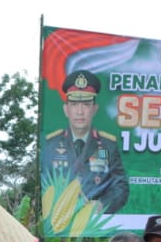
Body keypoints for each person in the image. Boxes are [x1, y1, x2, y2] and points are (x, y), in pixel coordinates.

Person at [39, 70, 129, 214]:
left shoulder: (108, 145)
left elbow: (121, 186)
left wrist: (102, 205)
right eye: (74, 104)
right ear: (66, 109)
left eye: (86, 105)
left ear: (94, 109)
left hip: (95, 224)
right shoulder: (51, 145)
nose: (80, 111)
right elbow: (42, 182)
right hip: (58, 221)